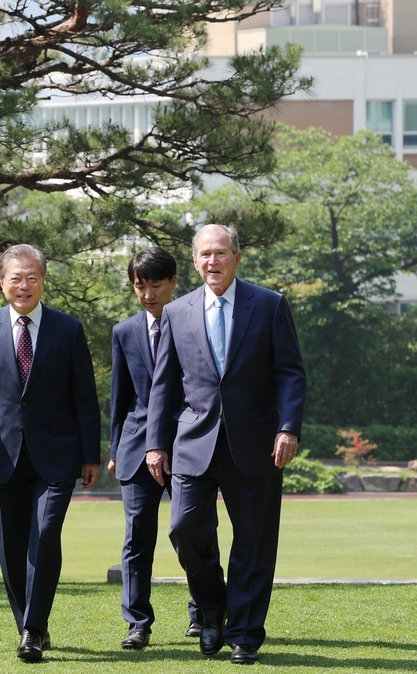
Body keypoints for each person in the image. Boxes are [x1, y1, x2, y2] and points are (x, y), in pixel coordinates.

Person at [146, 224, 306, 665]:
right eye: (204, 255)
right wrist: (154, 444)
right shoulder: (176, 312)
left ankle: (245, 635)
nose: (212, 262)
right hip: (193, 441)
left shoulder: (270, 305)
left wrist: (288, 428)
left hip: (256, 442)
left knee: (254, 541)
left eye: (220, 253)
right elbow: (163, 385)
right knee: (184, 528)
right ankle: (212, 610)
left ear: (237, 257)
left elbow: (290, 373)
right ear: (194, 261)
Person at [0, 244, 101, 663]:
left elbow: (85, 397)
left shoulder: (68, 329)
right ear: (1, 282)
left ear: (43, 281)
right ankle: (30, 625)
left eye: (32, 277)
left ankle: (32, 630)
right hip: (3, 455)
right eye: (16, 277)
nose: (24, 285)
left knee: (45, 538)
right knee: (12, 550)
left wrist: (90, 455)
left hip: (58, 455)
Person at [108, 247, 200, 651]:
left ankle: (202, 612)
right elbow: (120, 398)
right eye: (139, 286)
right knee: (136, 539)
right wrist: (114, 449)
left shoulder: (195, 323)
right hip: (135, 447)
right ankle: (138, 623)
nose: (147, 294)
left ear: (174, 283)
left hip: (187, 444)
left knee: (192, 532)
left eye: (155, 285)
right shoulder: (124, 331)